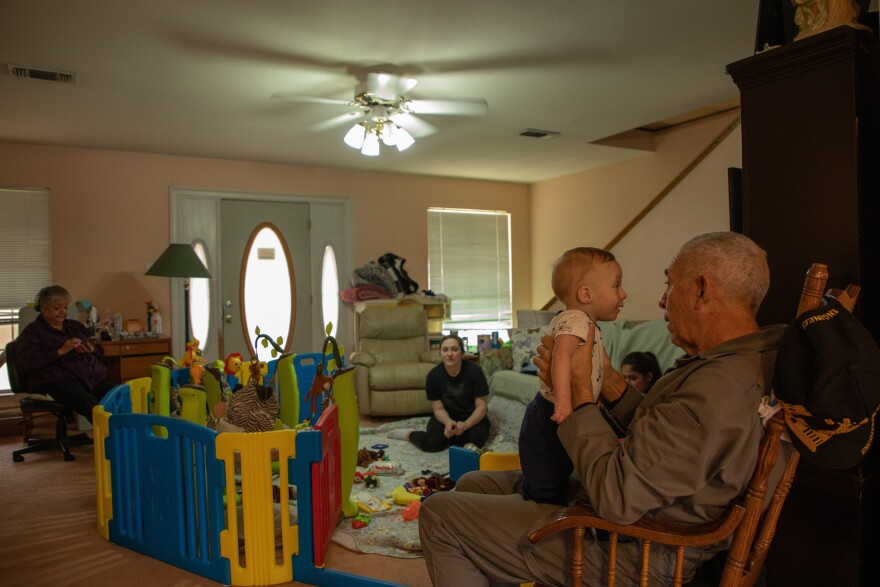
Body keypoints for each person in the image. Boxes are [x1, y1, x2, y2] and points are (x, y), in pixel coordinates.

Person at [419, 232, 787, 586]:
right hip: (634, 511)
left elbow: (618, 497)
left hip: (637, 546)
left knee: (440, 515)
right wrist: (609, 381)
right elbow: (668, 438)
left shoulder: (720, 387)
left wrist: (579, 393)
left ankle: (487, 549)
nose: (661, 301)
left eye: (669, 285)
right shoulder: (739, 359)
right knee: (472, 483)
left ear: (702, 291)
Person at [519, 247, 626, 505]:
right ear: (586, 294)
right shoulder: (575, 320)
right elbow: (561, 357)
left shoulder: (584, 322)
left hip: (562, 410)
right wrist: (565, 401)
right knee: (545, 480)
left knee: (560, 471)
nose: (623, 294)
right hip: (551, 413)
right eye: (616, 286)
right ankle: (537, 518)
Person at [14, 285, 116, 422]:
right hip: (56, 382)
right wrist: (59, 351)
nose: (63, 312)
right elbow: (24, 363)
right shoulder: (33, 332)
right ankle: (109, 438)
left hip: (90, 379)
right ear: (43, 308)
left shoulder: (75, 326)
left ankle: (127, 435)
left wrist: (91, 350)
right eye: (57, 308)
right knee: (89, 403)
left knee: (118, 395)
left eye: (65, 307)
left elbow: (100, 352)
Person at [388, 334, 490, 452]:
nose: (449, 354)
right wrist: (448, 423)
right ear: (440, 353)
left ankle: (451, 439)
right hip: (445, 417)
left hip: (471, 419)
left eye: (454, 349)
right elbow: (438, 409)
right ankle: (409, 435)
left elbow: (481, 407)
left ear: (462, 352)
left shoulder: (475, 372)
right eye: (445, 350)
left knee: (472, 442)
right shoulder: (433, 376)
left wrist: (466, 424)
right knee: (431, 444)